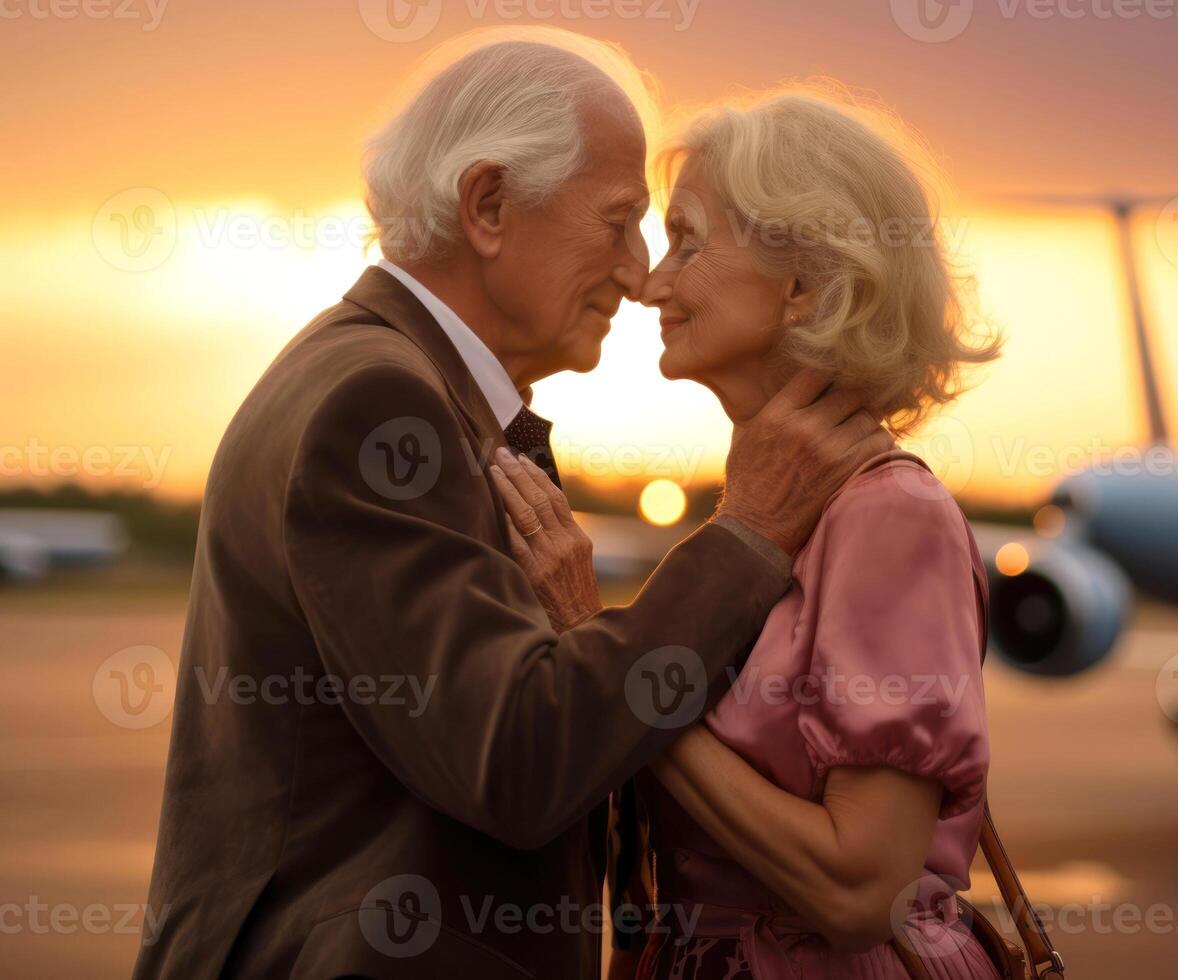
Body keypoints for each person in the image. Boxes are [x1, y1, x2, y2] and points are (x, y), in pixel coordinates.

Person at [132, 34, 891, 979]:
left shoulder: (375, 377)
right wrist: (744, 537)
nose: (638, 272)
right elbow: (518, 761)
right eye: (618, 222)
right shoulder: (378, 406)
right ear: (488, 206)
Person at [495, 85, 1005, 979]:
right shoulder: (777, 513)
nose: (651, 282)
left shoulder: (889, 517)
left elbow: (860, 889)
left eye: (689, 241)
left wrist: (606, 664)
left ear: (805, 286)